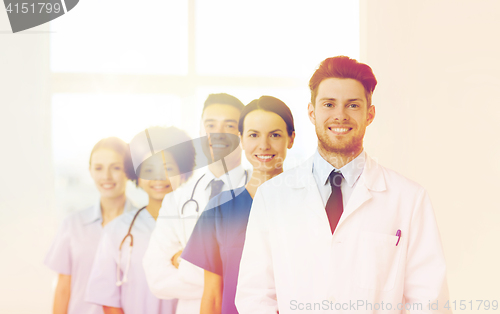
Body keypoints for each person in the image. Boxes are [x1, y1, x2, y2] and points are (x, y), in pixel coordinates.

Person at [235, 56, 451, 314]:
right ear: (312, 112)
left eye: (352, 105)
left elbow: (429, 302)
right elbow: (255, 297)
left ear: (369, 114)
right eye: (329, 104)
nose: (340, 115)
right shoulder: (272, 197)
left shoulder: (409, 199)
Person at [181, 96, 295, 314]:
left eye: (275, 135)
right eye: (253, 135)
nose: (264, 145)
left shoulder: (309, 206)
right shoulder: (219, 210)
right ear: (241, 139)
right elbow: (213, 296)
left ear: (291, 139)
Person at [143, 93, 248, 314]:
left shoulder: (259, 192)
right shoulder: (176, 199)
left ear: (243, 134)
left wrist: (185, 261)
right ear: (201, 132)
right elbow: (157, 277)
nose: (217, 133)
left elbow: (266, 273)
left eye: (228, 125)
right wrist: (230, 276)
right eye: (210, 125)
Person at [85, 126, 196, 314]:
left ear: (183, 172)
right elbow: (109, 300)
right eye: (149, 169)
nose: (159, 177)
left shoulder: (201, 225)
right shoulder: (116, 231)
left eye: (168, 168)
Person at [45, 137, 138, 314]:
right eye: (98, 168)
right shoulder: (72, 225)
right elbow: (63, 288)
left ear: (128, 171)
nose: (106, 176)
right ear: (90, 171)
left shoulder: (144, 225)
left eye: (116, 167)